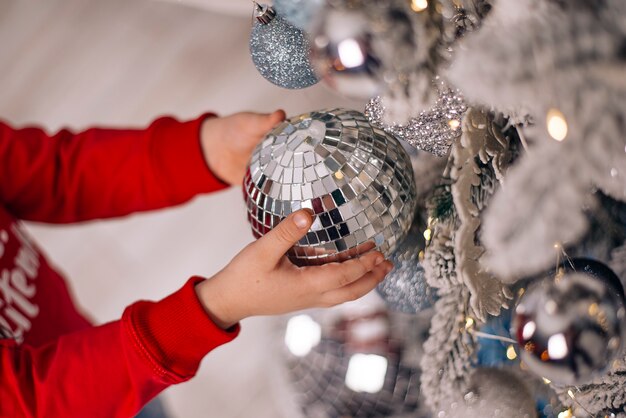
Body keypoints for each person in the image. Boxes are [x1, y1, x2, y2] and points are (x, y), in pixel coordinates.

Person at [0, 110, 393, 417]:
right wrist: (215, 306)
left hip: (99, 360)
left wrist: (200, 151)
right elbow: (34, 403)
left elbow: (54, 172)